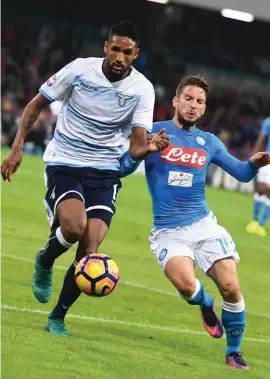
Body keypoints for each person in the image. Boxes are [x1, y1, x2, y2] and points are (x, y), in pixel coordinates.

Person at [1, 20, 169, 336]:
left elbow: (134, 149)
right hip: (65, 162)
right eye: (115, 49)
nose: (120, 57)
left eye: (127, 52)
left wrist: (150, 147)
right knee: (74, 227)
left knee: (89, 250)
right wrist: (17, 147)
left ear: (136, 54)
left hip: (105, 171)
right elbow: (35, 106)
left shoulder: (142, 90)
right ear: (106, 47)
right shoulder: (80, 70)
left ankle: (57, 317)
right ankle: (46, 259)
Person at [120, 75, 270, 370]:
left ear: (204, 109)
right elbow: (124, 167)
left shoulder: (209, 142)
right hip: (168, 230)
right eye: (188, 98)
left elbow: (240, 174)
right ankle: (204, 304)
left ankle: (234, 351)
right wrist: (147, 149)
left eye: (199, 102)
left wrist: (253, 164)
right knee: (187, 286)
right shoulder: (153, 132)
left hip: (203, 225)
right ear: (175, 101)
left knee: (231, 286)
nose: (193, 105)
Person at [246, 117, 270, 237]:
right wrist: (253, 156)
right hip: (268, 160)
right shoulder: (268, 121)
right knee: (261, 189)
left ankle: (261, 224)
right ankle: (255, 220)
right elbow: (262, 139)